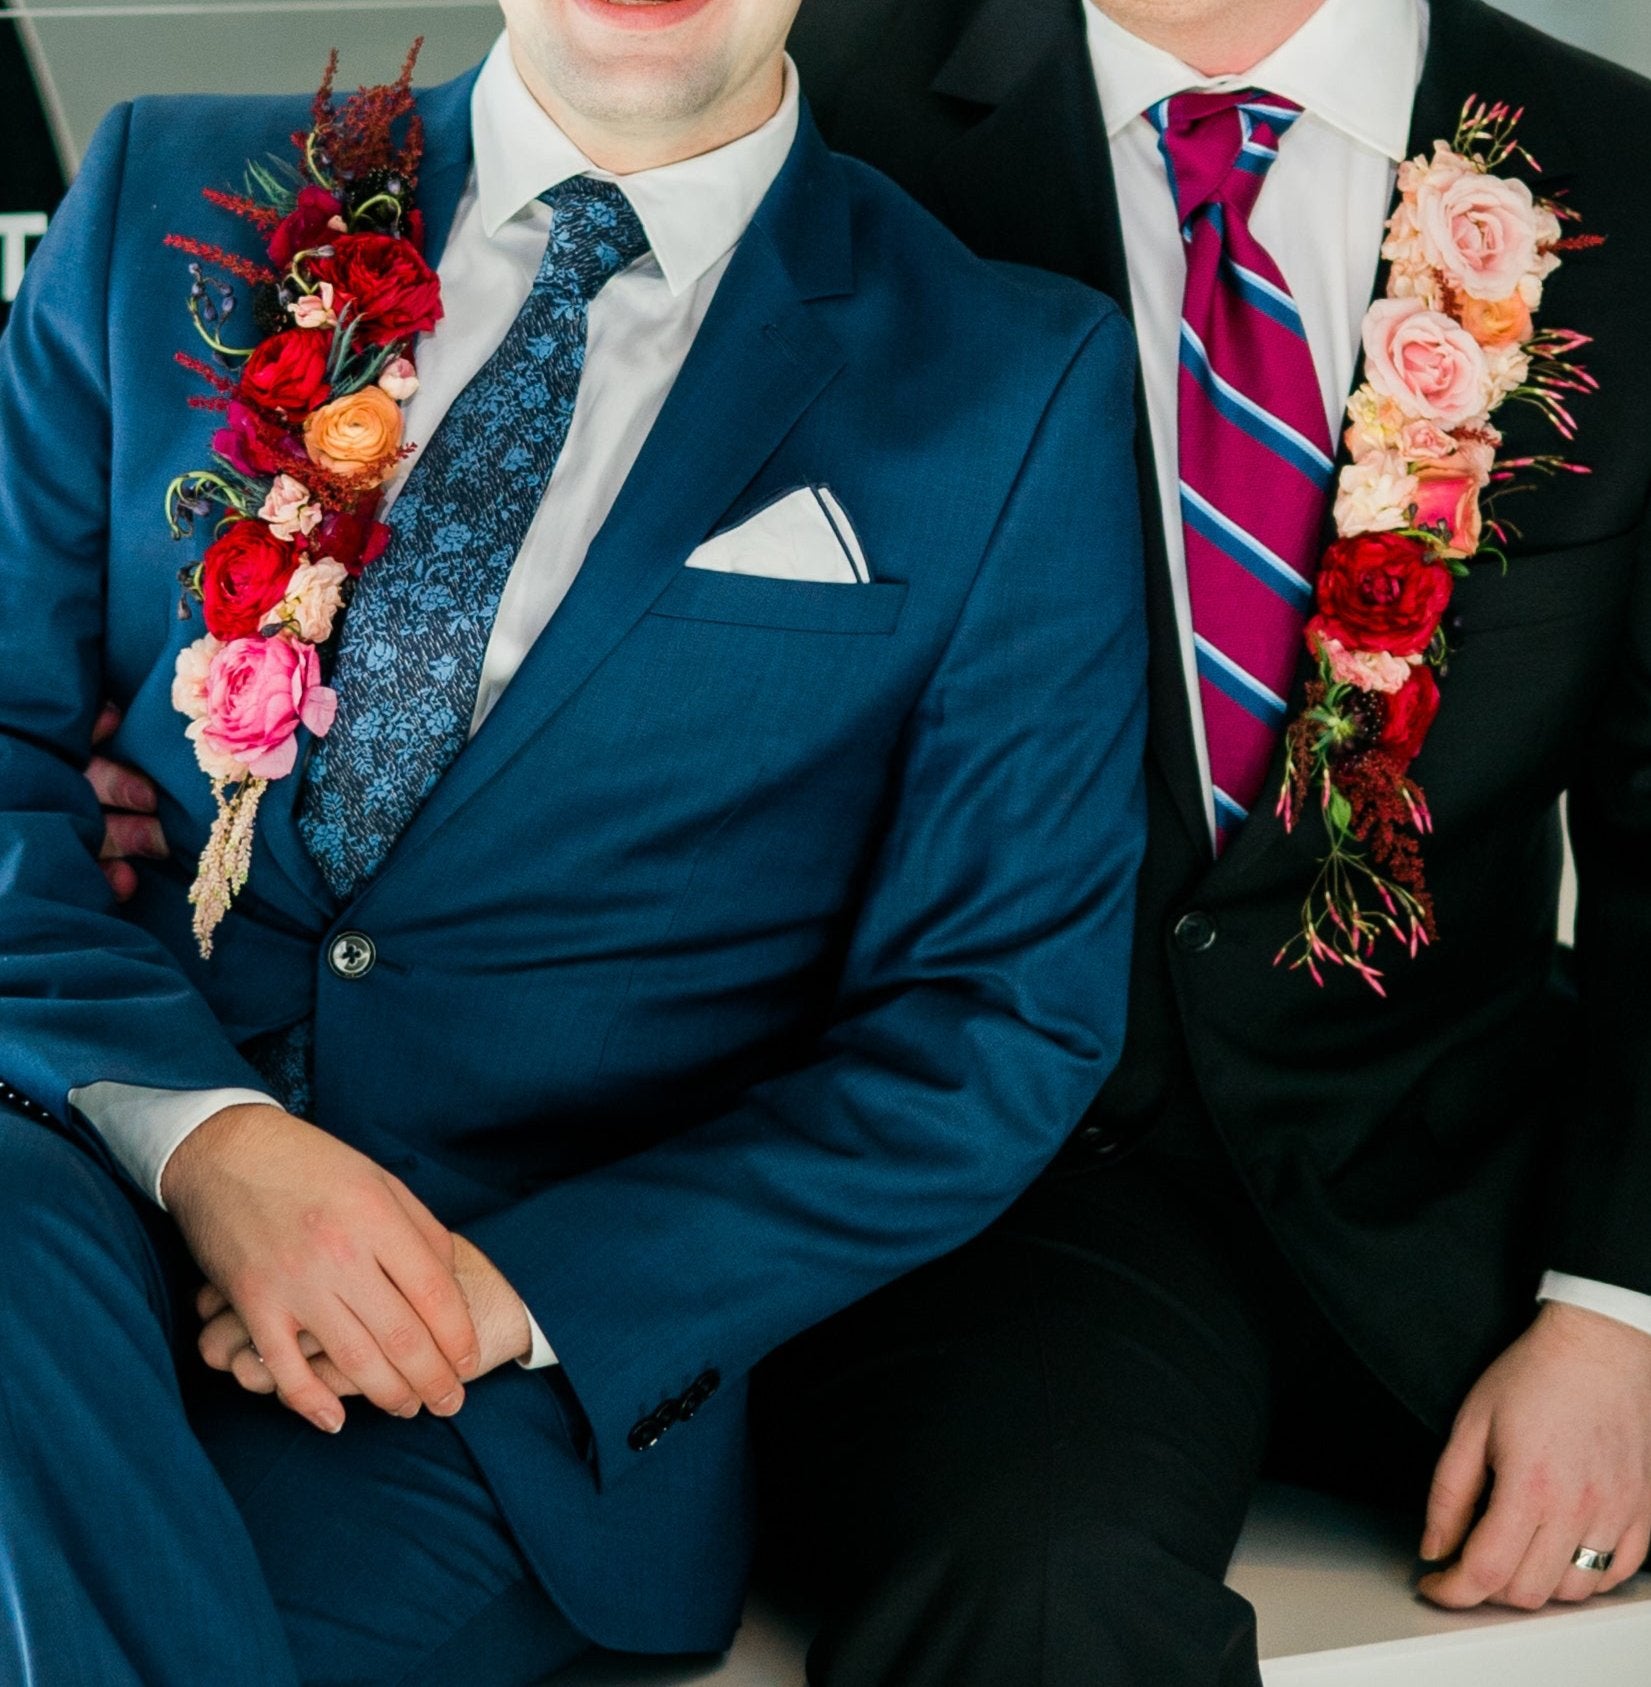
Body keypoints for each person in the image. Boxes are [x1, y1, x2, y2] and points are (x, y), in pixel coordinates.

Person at [0, 0, 1151, 1676]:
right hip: (76, 1185)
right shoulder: (168, 190)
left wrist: (509, 1297)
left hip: (476, 1374)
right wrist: (208, 1138)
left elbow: (997, 1016)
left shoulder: (1006, 375)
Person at [767, 0, 1651, 1679]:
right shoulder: (816, 113)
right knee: (1036, 1599)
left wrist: (1626, 1312)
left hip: (1474, 1163)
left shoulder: (1629, 171)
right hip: (997, 1198)